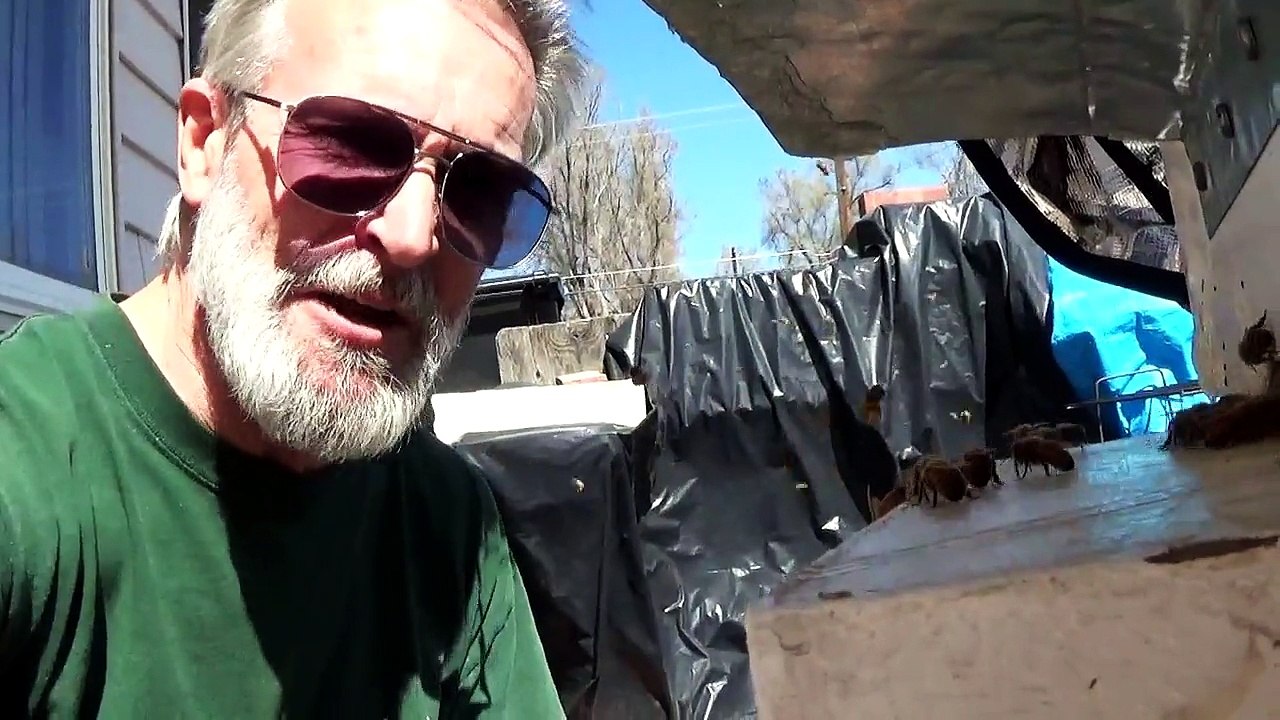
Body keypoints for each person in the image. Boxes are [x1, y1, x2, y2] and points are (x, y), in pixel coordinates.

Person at [0, 0, 584, 716]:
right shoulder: (25, 468)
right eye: (350, 143)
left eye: (481, 192)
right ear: (206, 143)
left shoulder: (450, 530)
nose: (412, 237)